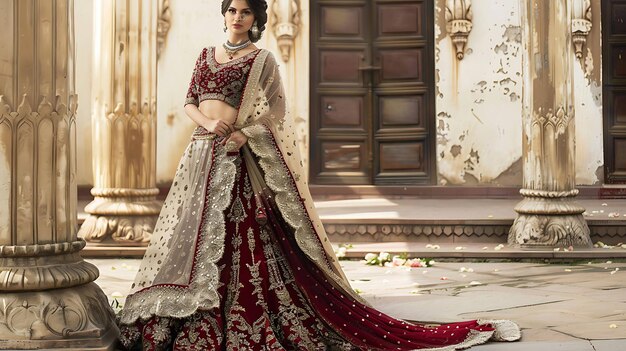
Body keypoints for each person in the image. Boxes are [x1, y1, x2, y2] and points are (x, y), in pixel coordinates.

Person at [116, 0, 521, 349]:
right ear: (223, 15)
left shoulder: (263, 60)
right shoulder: (205, 55)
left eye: (244, 11)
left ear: (255, 18)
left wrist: (243, 134)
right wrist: (207, 120)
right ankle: (187, 316)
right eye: (231, 10)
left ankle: (244, 313)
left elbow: (276, 113)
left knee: (246, 238)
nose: (236, 17)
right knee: (192, 236)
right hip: (203, 156)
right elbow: (188, 101)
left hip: (240, 159)